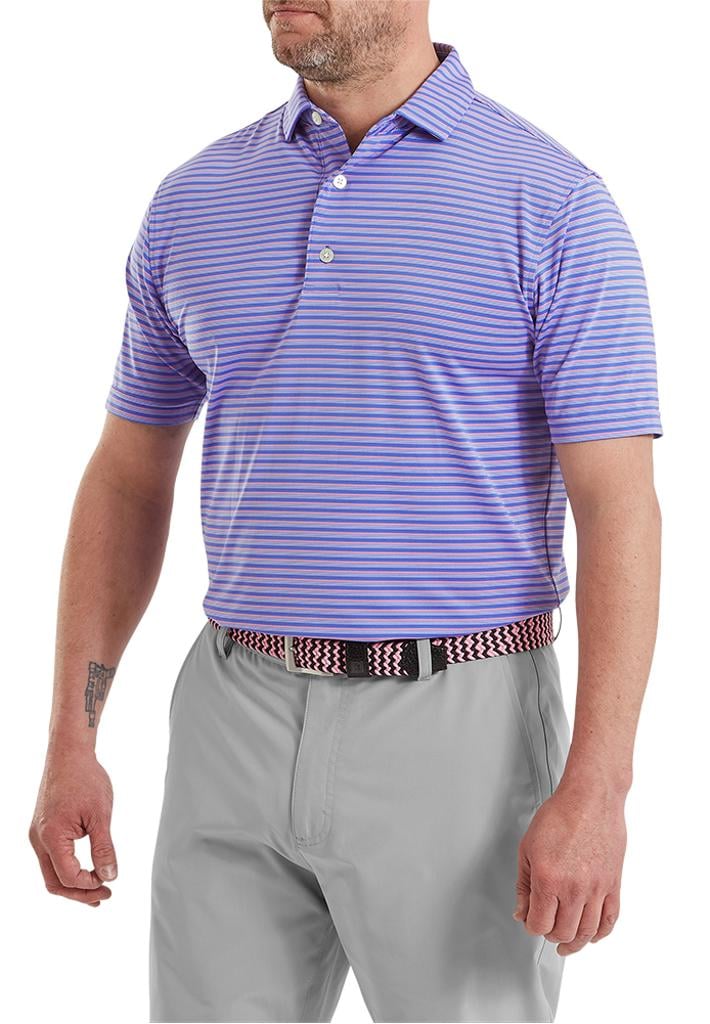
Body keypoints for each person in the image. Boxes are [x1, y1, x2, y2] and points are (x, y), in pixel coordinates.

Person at [28, 1, 664, 1021]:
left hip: (460, 724)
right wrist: (72, 738)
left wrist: (599, 787)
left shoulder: (552, 203)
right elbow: (128, 477)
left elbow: (618, 506)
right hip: (231, 709)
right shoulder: (194, 200)